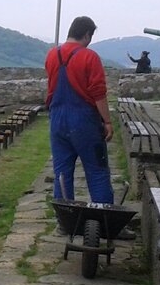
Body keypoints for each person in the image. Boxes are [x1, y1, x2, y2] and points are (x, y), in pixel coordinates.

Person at [45, 16, 114, 205]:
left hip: (57, 119)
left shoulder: (52, 55)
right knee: (97, 170)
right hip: (84, 120)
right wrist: (107, 121)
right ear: (86, 34)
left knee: (62, 172)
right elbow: (98, 93)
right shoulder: (89, 56)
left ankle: (65, 221)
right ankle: (103, 218)